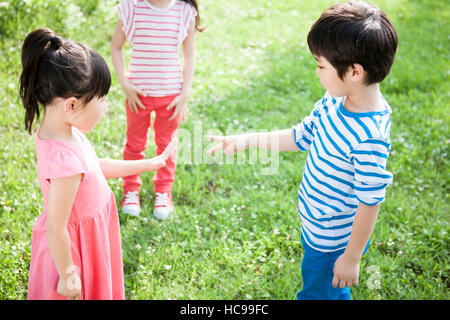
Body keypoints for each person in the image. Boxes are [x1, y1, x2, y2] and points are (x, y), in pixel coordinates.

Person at [207, 0, 398, 300]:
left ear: (355, 72)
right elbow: (301, 136)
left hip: (333, 241)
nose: (317, 72)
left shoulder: (368, 137)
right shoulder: (334, 100)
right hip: (316, 224)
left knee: (316, 294)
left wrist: (351, 257)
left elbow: (370, 202)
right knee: (329, 292)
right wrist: (247, 140)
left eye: (322, 65)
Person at [20, 28, 177, 300]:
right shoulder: (64, 162)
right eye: (101, 99)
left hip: (89, 236)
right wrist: (69, 275)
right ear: (71, 106)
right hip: (77, 250)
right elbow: (56, 227)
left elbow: (92, 168)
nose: (105, 106)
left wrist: (149, 163)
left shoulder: (64, 130)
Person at [110, 0, 202, 219]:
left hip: (171, 96)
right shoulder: (131, 7)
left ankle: (163, 191)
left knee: (166, 145)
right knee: (134, 143)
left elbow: (189, 55)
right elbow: (116, 47)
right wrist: (124, 83)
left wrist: (184, 94)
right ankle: (131, 189)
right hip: (137, 94)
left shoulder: (184, 12)